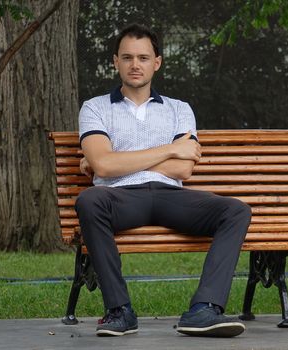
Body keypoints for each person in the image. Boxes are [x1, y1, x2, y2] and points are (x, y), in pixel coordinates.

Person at [75, 23, 251, 338]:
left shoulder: (178, 109)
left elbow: (183, 171)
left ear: (157, 62)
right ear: (115, 61)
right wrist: (170, 149)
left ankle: (204, 310)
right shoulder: (95, 108)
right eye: (127, 57)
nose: (135, 65)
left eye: (143, 57)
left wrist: (116, 161)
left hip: (171, 197)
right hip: (121, 198)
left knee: (236, 210)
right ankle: (120, 311)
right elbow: (103, 162)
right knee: (89, 200)